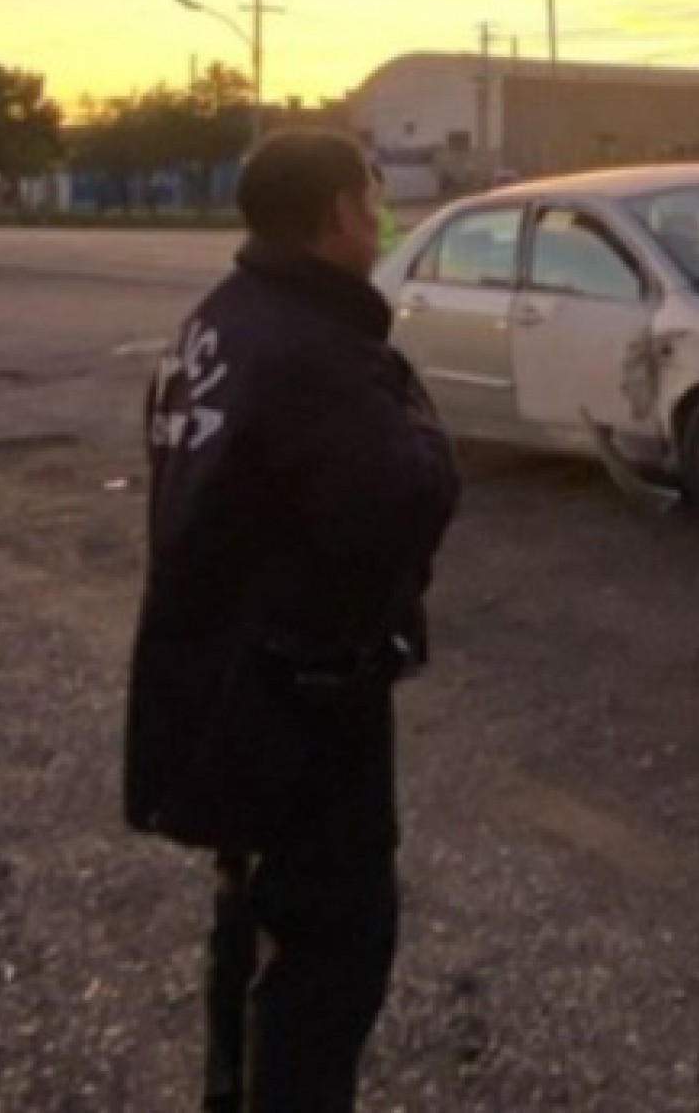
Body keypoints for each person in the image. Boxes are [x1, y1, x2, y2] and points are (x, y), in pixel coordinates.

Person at [124, 128, 459, 1113]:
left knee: (253, 922)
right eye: (372, 193)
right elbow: (408, 495)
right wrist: (421, 424)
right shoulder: (316, 350)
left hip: (220, 686)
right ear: (340, 215)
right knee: (332, 951)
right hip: (304, 706)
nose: (381, 211)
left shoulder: (219, 321)